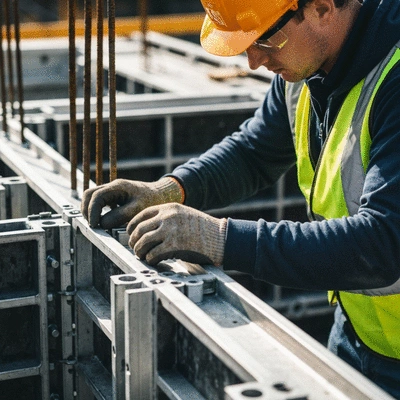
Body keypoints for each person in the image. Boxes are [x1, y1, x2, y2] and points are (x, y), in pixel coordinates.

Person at [81, 0, 400, 397]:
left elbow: (384, 245)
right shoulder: (308, 66)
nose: (252, 61)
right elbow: (255, 153)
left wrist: (218, 239)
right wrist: (168, 189)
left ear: (322, 7)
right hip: (358, 333)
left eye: (264, 37)